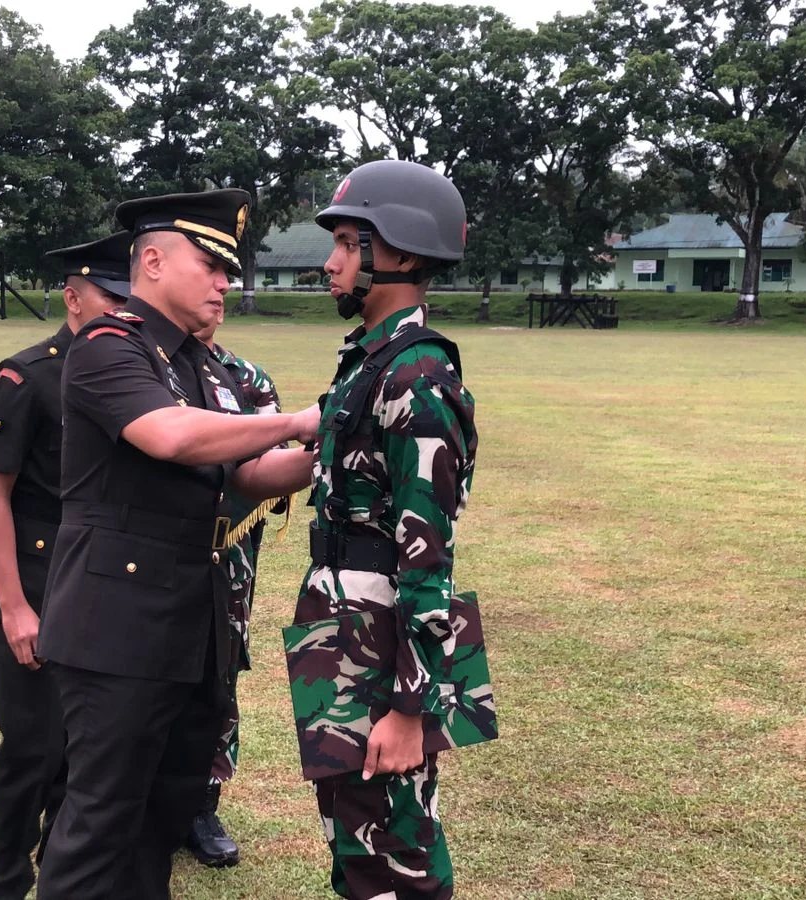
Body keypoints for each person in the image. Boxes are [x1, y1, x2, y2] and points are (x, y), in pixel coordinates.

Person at [35, 188, 317, 900]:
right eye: (212, 264)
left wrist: (338, 436)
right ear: (153, 262)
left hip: (189, 630)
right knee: (100, 821)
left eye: (231, 268)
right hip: (116, 633)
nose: (228, 281)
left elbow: (249, 474)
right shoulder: (109, 346)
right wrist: (295, 420)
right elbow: (171, 435)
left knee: (163, 816)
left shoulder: (207, 366)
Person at [292, 159, 479, 900]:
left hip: (380, 633)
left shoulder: (419, 378)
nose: (330, 262)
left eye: (345, 242)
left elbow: (428, 560)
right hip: (340, 618)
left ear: (398, 253)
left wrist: (410, 706)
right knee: (351, 827)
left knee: (397, 845)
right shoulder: (369, 364)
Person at [0, 231, 131, 900]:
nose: (119, 311)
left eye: (127, 299)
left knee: (79, 753)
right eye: (107, 298)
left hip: (95, 585)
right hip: (28, 580)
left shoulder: (129, 376)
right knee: (32, 747)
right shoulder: (26, 376)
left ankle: (63, 877)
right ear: (73, 297)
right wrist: (13, 607)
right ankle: (5, 883)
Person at [184, 306, 284, 868]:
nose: (216, 297)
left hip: (226, 561)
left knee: (217, 677)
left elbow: (267, 467)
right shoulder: (140, 367)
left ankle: (201, 802)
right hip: (140, 561)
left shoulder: (247, 380)